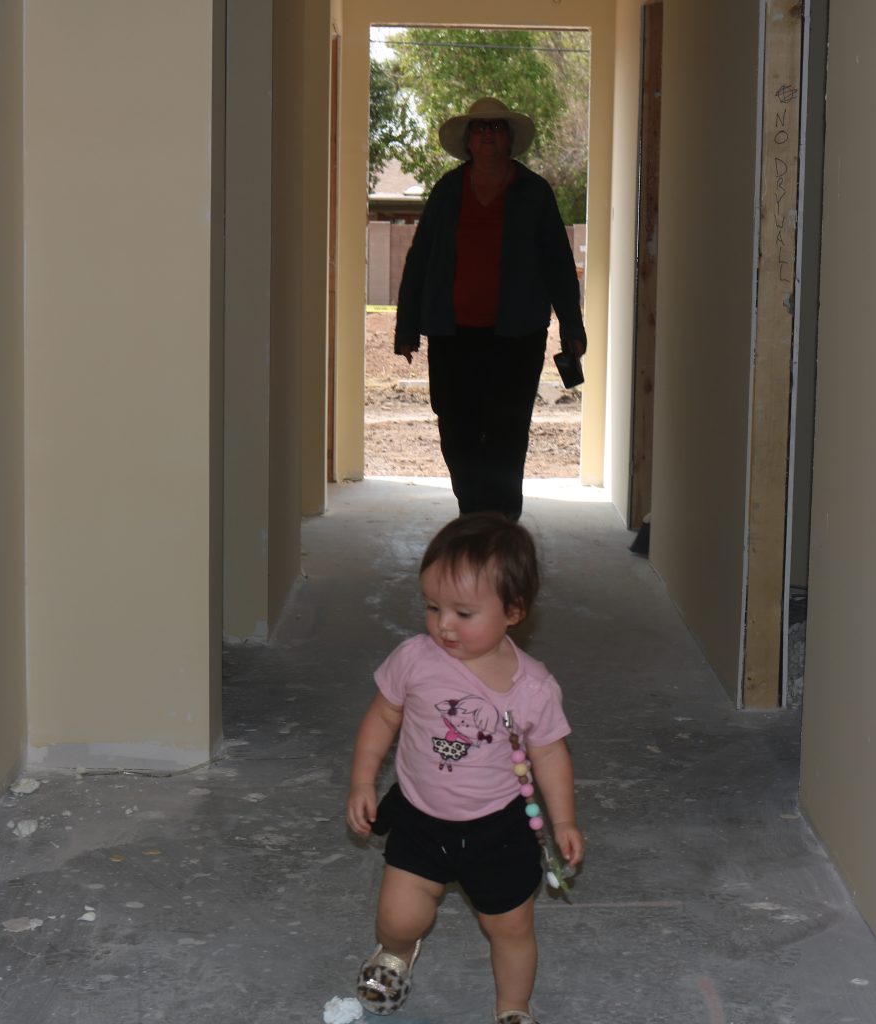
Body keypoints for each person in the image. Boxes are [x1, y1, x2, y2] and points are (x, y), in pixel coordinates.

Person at [345, 513, 585, 1024]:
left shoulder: (533, 687)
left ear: (513, 612)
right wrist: (363, 780)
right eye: (432, 607)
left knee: (511, 929)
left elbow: (549, 754)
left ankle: (513, 1007)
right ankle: (396, 951)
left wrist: (563, 821)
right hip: (419, 816)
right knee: (398, 916)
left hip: (497, 828)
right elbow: (384, 715)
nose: (443, 624)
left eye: (463, 612)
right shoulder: (414, 658)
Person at [394, 97, 587, 521]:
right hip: (452, 335)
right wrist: (407, 327)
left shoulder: (535, 193)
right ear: (468, 141)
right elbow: (420, 259)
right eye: (479, 129)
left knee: (507, 431)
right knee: (456, 429)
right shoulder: (448, 191)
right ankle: (472, 513)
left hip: (516, 338)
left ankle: (501, 522)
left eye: (496, 128)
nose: (487, 135)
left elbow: (557, 262)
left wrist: (571, 324)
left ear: (509, 140)